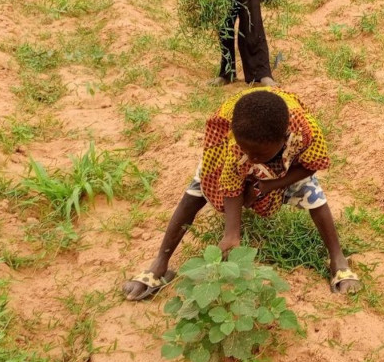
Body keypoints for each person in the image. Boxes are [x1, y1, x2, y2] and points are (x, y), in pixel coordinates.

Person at [122, 89, 359, 300]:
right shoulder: (235, 139)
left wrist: (271, 184)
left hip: (288, 164)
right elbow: (230, 180)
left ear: (283, 140)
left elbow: (312, 164)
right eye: (246, 152)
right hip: (231, 151)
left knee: (313, 194)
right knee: (196, 191)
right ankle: (160, 264)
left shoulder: (303, 132)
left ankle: (338, 260)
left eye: (258, 155)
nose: (251, 160)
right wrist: (231, 234)